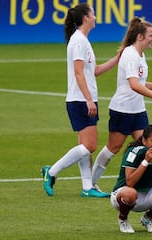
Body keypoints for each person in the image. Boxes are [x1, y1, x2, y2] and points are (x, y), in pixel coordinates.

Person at [41, 3, 119, 197]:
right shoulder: (78, 42)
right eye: (93, 13)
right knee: (90, 146)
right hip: (80, 100)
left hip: (84, 99)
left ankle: (87, 187)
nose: (95, 16)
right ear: (86, 18)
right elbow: (78, 73)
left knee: (85, 146)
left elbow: (94, 71)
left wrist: (117, 58)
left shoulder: (83, 40)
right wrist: (89, 100)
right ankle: (51, 172)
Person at [91, 17, 152, 190]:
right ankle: (91, 182)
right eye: (151, 35)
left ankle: (150, 187)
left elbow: (139, 81)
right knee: (113, 148)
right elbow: (133, 84)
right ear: (140, 37)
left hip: (138, 110)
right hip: (122, 110)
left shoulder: (140, 55)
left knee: (148, 148)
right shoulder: (129, 54)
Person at [110, 124, 152, 233]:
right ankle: (123, 220)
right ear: (144, 141)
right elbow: (130, 182)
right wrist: (146, 161)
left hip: (146, 195)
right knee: (130, 193)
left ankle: (148, 218)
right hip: (123, 195)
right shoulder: (134, 152)